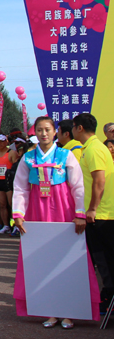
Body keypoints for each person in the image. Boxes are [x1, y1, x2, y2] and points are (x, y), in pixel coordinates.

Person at [12, 115, 97, 328]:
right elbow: (21, 188)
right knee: (40, 259)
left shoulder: (66, 155)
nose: (44, 134)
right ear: (35, 132)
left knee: (68, 259)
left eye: (48, 129)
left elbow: (78, 186)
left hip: (63, 208)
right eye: (39, 130)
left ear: (55, 132)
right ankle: (48, 309)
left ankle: (70, 311)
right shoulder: (29, 158)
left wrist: (79, 214)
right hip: (37, 210)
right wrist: (19, 214)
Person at [73, 113, 114, 315]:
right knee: (101, 258)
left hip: (102, 216)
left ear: (79, 128)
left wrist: (92, 209)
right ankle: (107, 295)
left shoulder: (94, 149)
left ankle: (110, 297)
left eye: (73, 127)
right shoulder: (92, 148)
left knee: (104, 259)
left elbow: (99, 181)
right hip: (100, 214)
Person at [0, 134, 17, 234]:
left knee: (12, 204)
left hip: (9, 182)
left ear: (6, 141)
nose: (0, 143)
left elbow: (16, 168)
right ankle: (6, 225)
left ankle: (15, 225)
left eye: (2, 141)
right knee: (2, 205)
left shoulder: (12, 153)